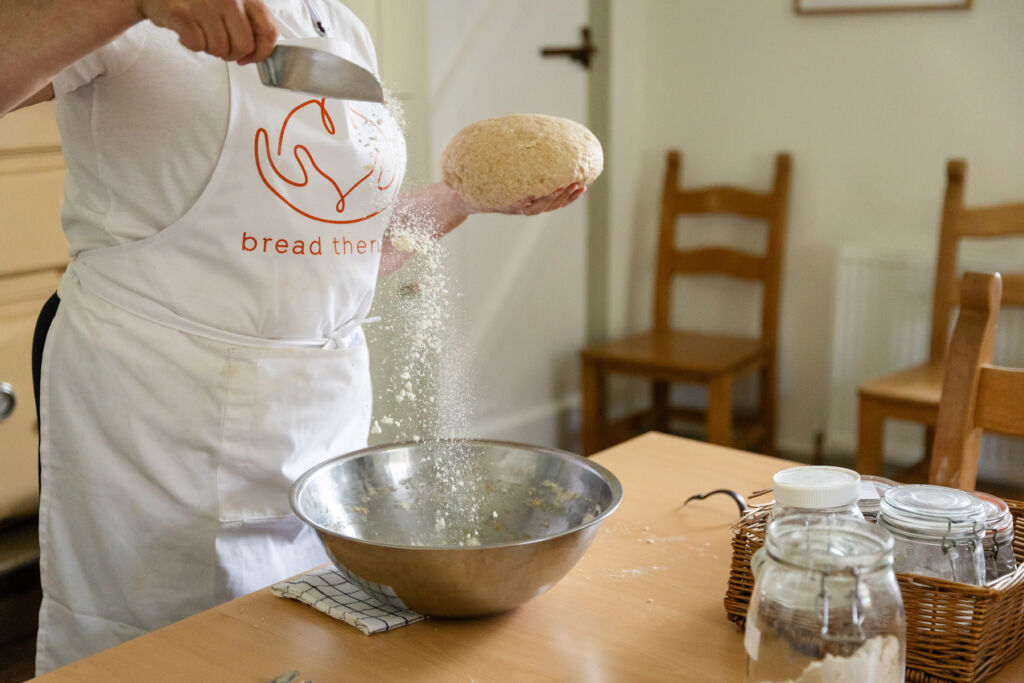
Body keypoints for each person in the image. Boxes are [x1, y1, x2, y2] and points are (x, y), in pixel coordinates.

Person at [1, 0, 585, 673]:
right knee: (165, 657)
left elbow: (335, 241)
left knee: (303, 650)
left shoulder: (342, 27)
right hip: (162, 436)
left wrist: (463, 198)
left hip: (317, 434)